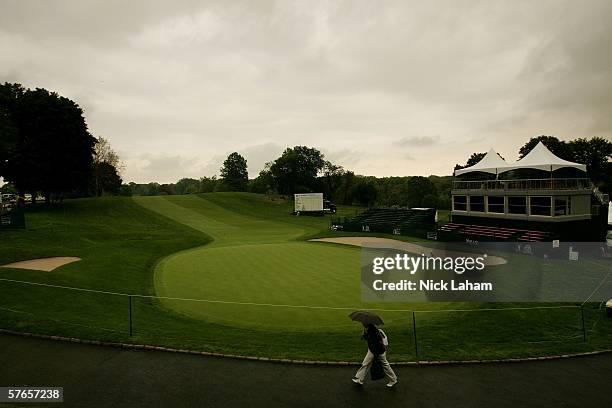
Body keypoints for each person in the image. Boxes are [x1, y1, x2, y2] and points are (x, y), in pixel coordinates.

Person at [352, 323, 398, 388]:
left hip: (379, 351)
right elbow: (364, 338)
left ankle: (393, 379)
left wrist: (376, 357)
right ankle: (360, 379)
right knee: (365, 363)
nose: (364, 326)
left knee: (385, 365)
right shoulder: (369, 331)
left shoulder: (375, 333)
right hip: (371, 350)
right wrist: (364, 332)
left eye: (365, 326)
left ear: (369, 326)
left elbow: (377, 344)